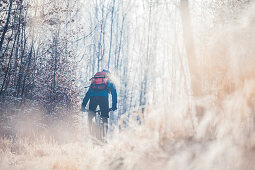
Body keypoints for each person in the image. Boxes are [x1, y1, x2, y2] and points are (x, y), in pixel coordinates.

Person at [81, 69, 117, 137]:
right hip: (103, 99)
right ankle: (104, 137)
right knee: (104, 117)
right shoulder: (108, 80)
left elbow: (88, 94)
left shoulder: (95, 80)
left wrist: (83, 105)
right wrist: (114, 105)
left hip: (93, 98)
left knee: (90, 115)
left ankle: (90, 133)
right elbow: (114, 93)